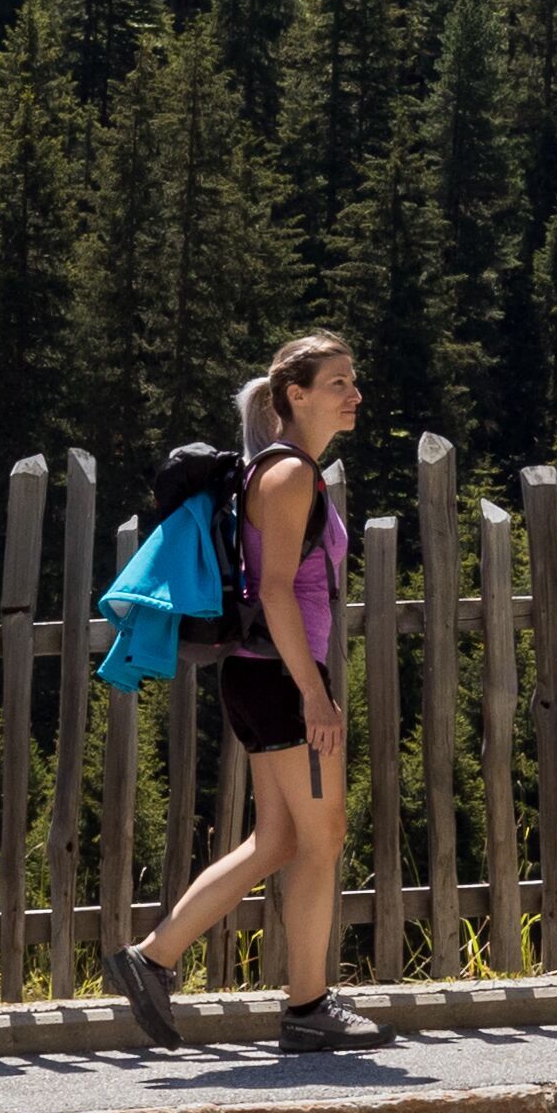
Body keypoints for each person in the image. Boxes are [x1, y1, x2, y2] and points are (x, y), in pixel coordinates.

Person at [117, 330, 383, 1054]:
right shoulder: (290, 475)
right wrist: (316, 695)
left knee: (281, 839)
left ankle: (154, 959)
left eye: (352, 381)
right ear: (295, 396)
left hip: (261, 671)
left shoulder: (277, 468)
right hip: (281, 675)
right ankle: (305, 1008)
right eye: (337, 383)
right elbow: (275, 592)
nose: (353, 393)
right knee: (323, 837)